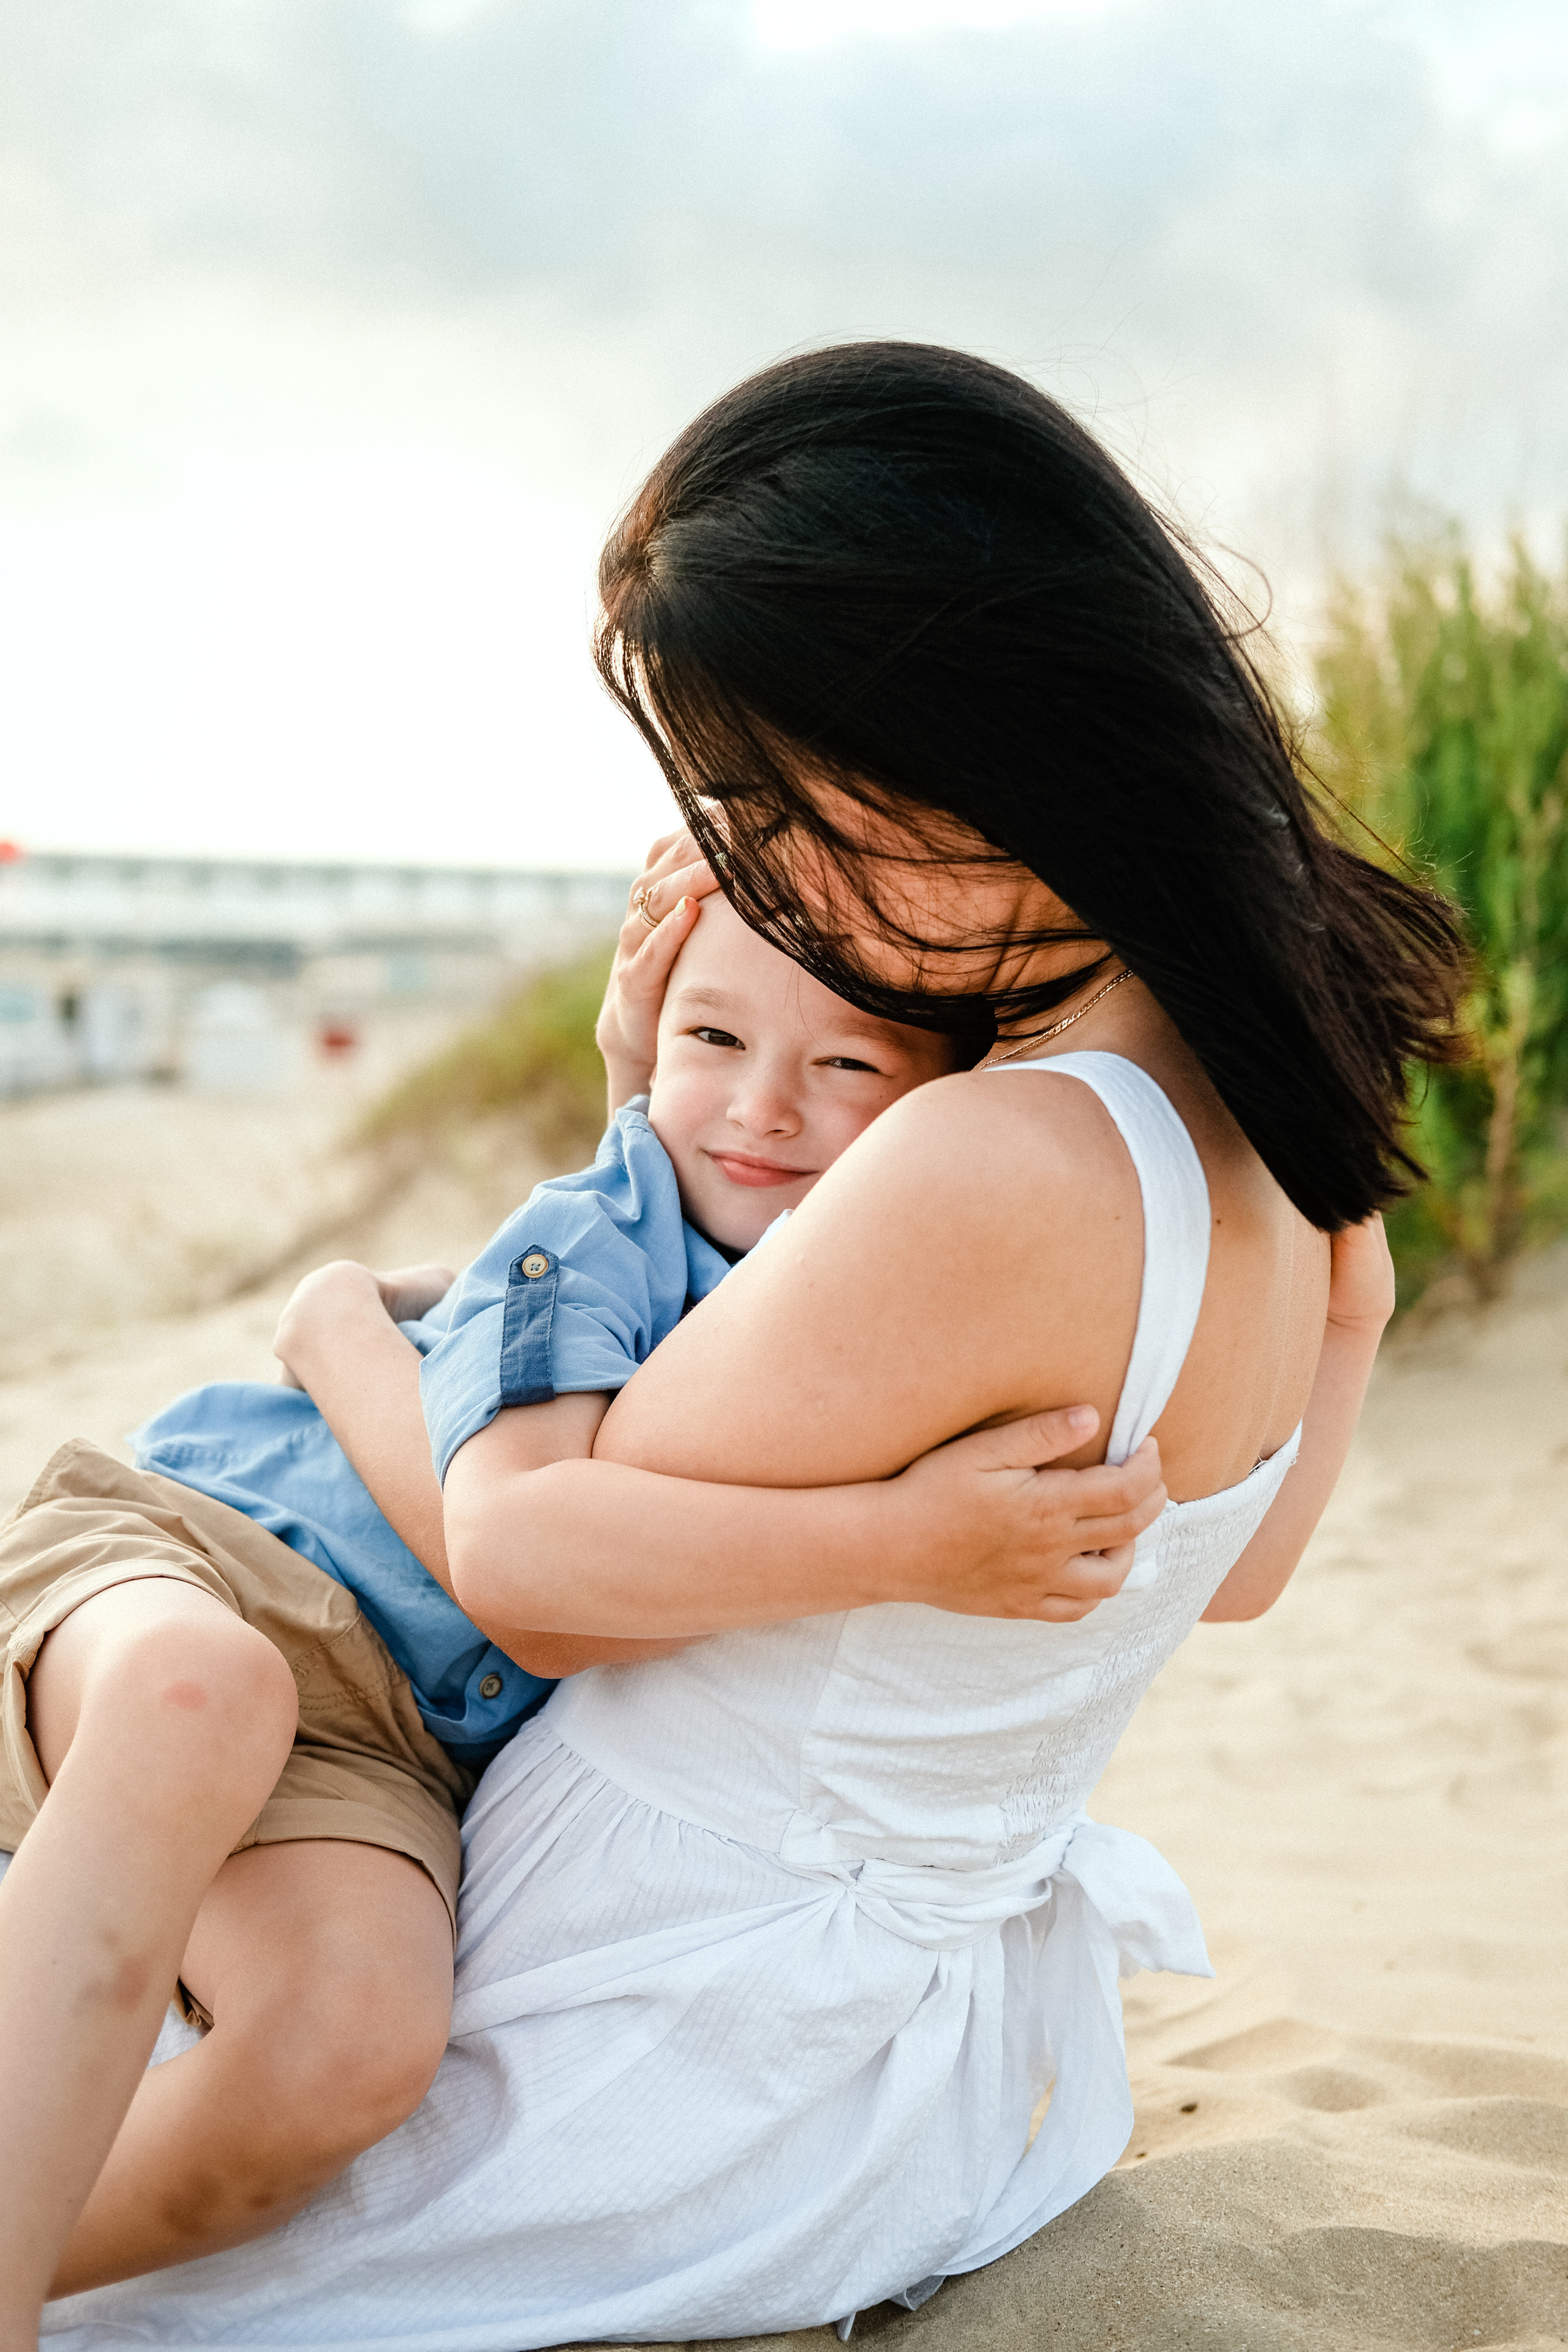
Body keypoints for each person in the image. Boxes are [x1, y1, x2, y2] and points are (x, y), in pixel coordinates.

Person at [38, 339, 1461, 2352]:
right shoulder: (1269, 1139)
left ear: (963, 732)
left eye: (773, 795)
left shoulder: (993, 1162)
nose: (756, 876)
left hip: (608, 2053)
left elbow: (532, 1548)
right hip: (884, 2099)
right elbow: (1232, 1583)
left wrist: (348, 1326)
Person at [0, 889, 1158, 2329]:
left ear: (943, 1105)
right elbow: (524, 1564)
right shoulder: (607, 1226)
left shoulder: (866, 1308)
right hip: (215, 1556)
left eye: (847, 1066)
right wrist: (913, 1539)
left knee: (346, 2049)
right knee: (202, 1699)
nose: (760, 1107)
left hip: (389, 1749)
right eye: (711, 1038)